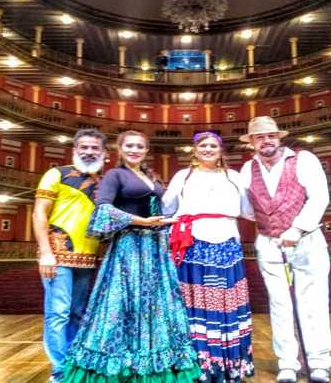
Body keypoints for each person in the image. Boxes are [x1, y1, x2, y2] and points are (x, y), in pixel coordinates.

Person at [61, 130, 201, 383]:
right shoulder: (115, 175)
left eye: (140, 146)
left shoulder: (149, 176)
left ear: (146, 151)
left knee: (154, 306)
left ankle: (152, 367)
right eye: (129, 146)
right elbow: (103, 209)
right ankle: (120, 368)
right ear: (120, 149)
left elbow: (158, 207)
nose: (135, 150)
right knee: (123, 304)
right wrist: (141, 221)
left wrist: (164, 222)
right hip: (128, 247)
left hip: (154, 249)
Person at [239, 116, 331, 383]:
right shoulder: (248, 169)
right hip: (269, 244)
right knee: (279, 303)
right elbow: (247, 209)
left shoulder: (304, 160)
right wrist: (269, 224)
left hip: (307, 241)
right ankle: (287, 363)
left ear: (279, 138)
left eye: (271, 136)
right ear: (252, 143)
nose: (266, 141)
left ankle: (318, 362)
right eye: (259, 137)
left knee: (312, 301)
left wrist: (297, 228)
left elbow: (320, 197)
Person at [163, 131, 255, 382]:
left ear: (220, 150)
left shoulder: (234, 177)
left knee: (226, 303)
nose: (207, 149)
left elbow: (249, 210)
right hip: (192, 246)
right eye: (202, 145)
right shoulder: (183, 176)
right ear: (194, 150)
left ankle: (226, 364)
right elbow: (166, 207)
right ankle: (194, 364)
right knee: (194, 303)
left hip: (227, 243)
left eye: (213, 145)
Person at [32, 128, 108, 383]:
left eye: (94, 148)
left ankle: (73, 365)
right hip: (58, 255)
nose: (89, 152)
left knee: (78, 313)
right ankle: (60, 371)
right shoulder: (57, 174)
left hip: (88, 257)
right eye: (83, 147)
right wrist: (45, 252)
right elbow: (39, 212)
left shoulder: (104, 183)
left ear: (104, 153)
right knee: (58, 313)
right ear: (75, 150)